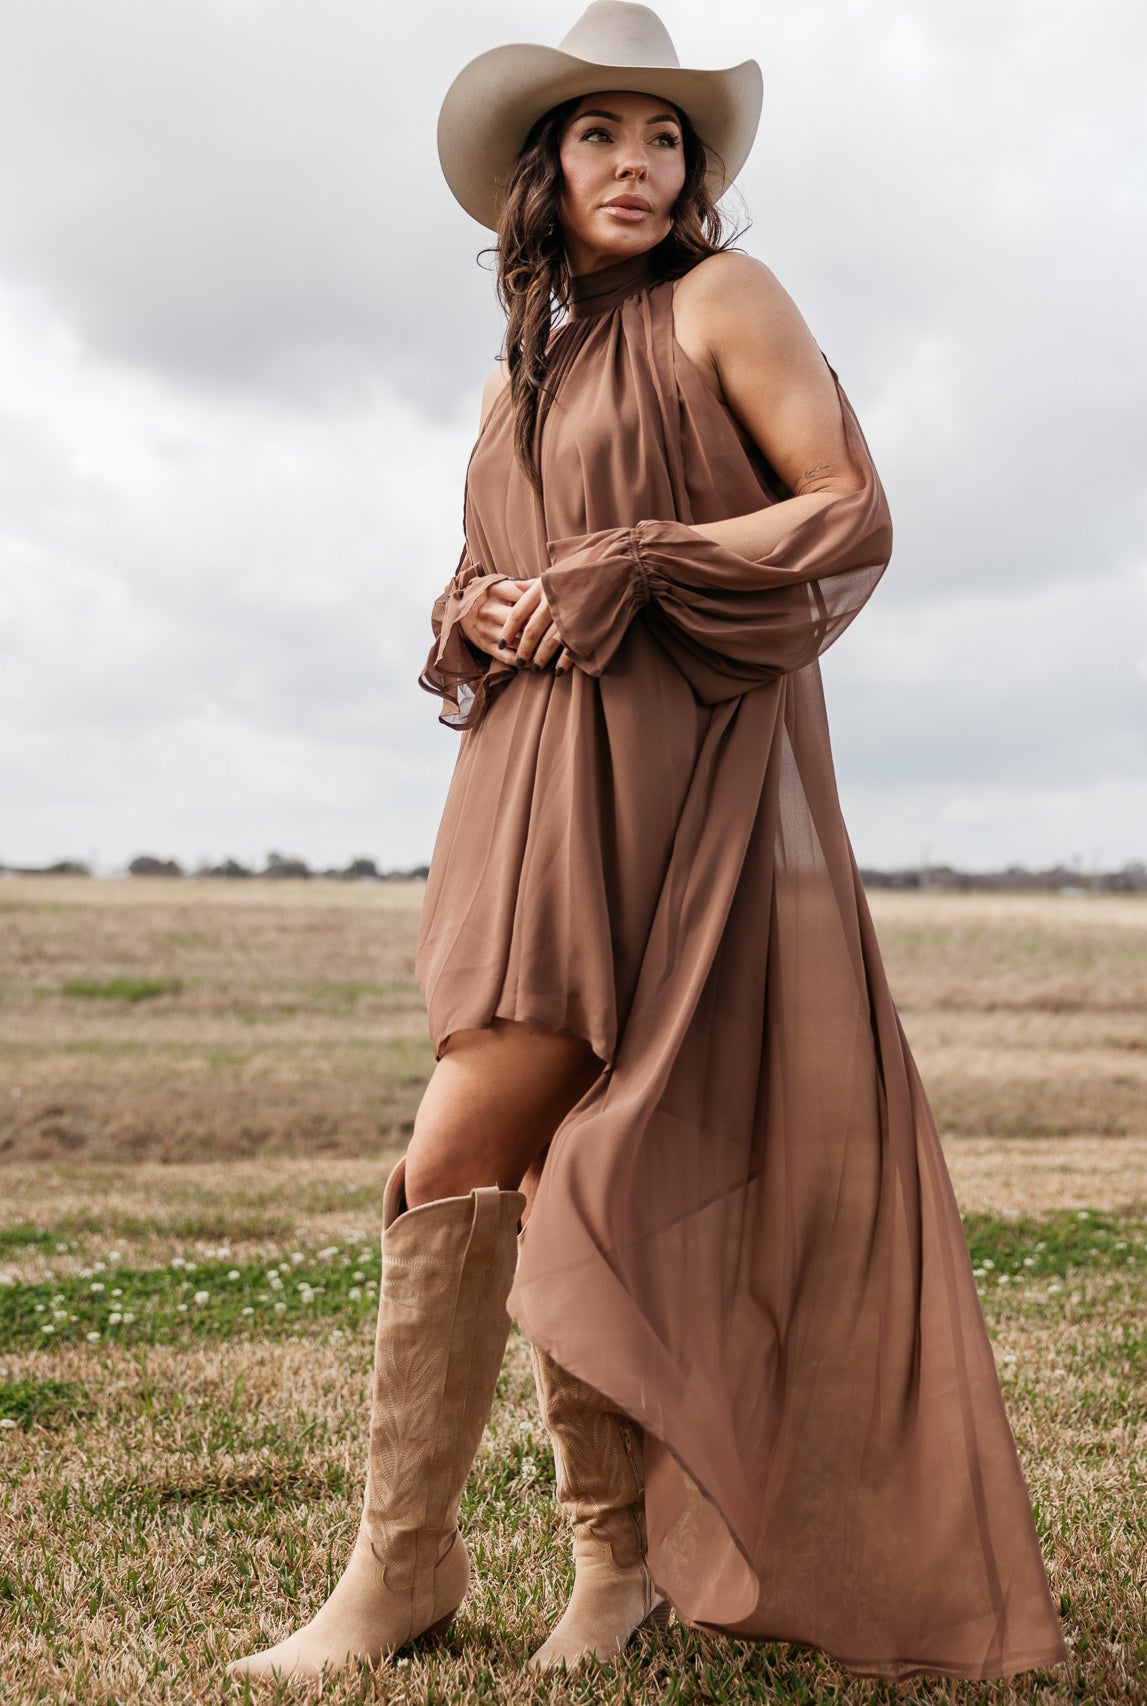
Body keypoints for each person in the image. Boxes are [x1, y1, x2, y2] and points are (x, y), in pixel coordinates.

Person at [228, 0, 1070, 1685]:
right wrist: (477, 602)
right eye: (602, 134)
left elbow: (841, 506)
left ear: (694, 173)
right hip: (531, 782)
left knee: (459, 1147)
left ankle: (408, 1567)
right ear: (543, 169)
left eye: (664, 136)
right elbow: (517, 558)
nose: (637, 163)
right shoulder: (514, 368)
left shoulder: (722, 300)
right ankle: (596, 1568)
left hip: (675, 786)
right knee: (529, 1165)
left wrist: (638, 556)